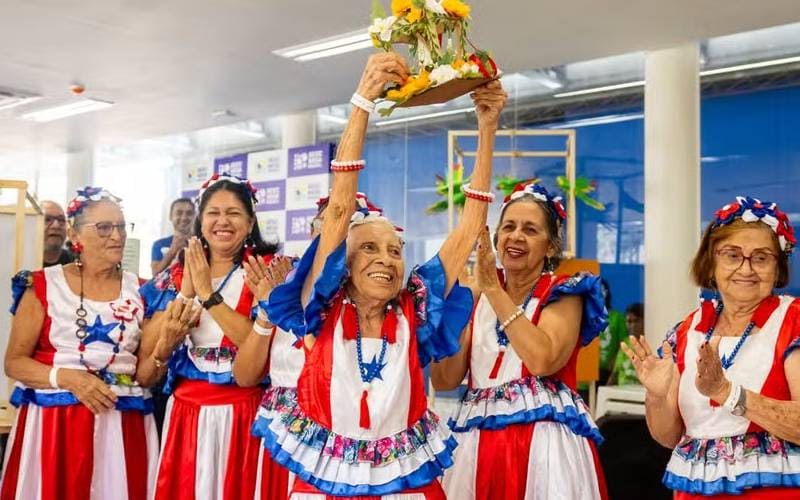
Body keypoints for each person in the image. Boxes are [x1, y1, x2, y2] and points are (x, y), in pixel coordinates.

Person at [258, 53, 507, 498]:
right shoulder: (323, 306)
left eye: (395, 251)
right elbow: (338, 207)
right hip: (326, 480)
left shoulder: (416, 308)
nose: (387, 259)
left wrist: (487, 127)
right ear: (344, 268)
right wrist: (363, 101)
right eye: (369, 248)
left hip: (404, 481)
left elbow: (470, 229)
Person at [434, 182, 610, 500]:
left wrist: (493, 290)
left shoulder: (565, 293)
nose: (516, 236)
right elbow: (445, 378)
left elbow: (543, 360)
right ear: (497, 237)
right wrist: (455, 311)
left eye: (530, 230)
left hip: (544, 448)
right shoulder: (477, 294)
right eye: (509, 227)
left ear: (551, 246)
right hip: (476, 445)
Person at [622, 196, 800, 498]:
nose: (746, 269)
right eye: (732, 255)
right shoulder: (687, 329)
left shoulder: (792, 320)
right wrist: (655, 395)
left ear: (778, 267)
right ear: (711, 261)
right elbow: (668, 437)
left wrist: (726, 392)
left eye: (761, 258)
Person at [2, 187, 158, 500]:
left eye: (121, 226)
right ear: (75, 233)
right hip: (55, 425)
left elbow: (146, 371)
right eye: (103, 227)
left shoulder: (143, 290)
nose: (116, 236)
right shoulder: (43, 284)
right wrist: (67, 378)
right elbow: (14, 362)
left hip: (123, 421)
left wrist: (165, 345)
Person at [137, 173, 279, 499]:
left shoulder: (266, 270)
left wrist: (207, 295)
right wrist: (186, 293)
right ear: (201, 220)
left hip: (245, 411)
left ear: (250, 220)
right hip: (186, 412)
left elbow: (260, 345)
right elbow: (148, 349)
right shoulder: (176, 275)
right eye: (213, 212)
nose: (222, 221)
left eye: (233, 213)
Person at [234, 193, 382, 499]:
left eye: (348, 224)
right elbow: (245, 376)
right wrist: (267, 309)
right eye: (324, 223)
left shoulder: (374, 301)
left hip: (338, 438)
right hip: (281, 438)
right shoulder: (285, 283)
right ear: (311, 230)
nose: (332, 232)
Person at [151, 197, 195, 276]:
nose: (184, 218)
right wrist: (172, 250)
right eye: (179, 213)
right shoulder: (159, 244)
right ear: (171, 216)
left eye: (189, 213)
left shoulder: (201, 243)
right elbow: (155, 273)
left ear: (194, 216)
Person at [598, 278, 628, 383]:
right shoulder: (584, 316)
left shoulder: (617, 317)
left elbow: (623, 344)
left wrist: (614, 366)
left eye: (601, 290)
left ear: (607, 292)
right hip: (586, 373)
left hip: (608, 371)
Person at [608, 302, 643, 385]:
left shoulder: (650, 343)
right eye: (629, 322)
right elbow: (615, 374)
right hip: (622, 395)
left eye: (636, 321)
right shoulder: (625, 344)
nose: (633, 325)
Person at [41, 200, 75, 267]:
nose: (56, 226)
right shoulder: (23, 261)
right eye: (47, 219)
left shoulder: (76, 264)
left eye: (61, 220)